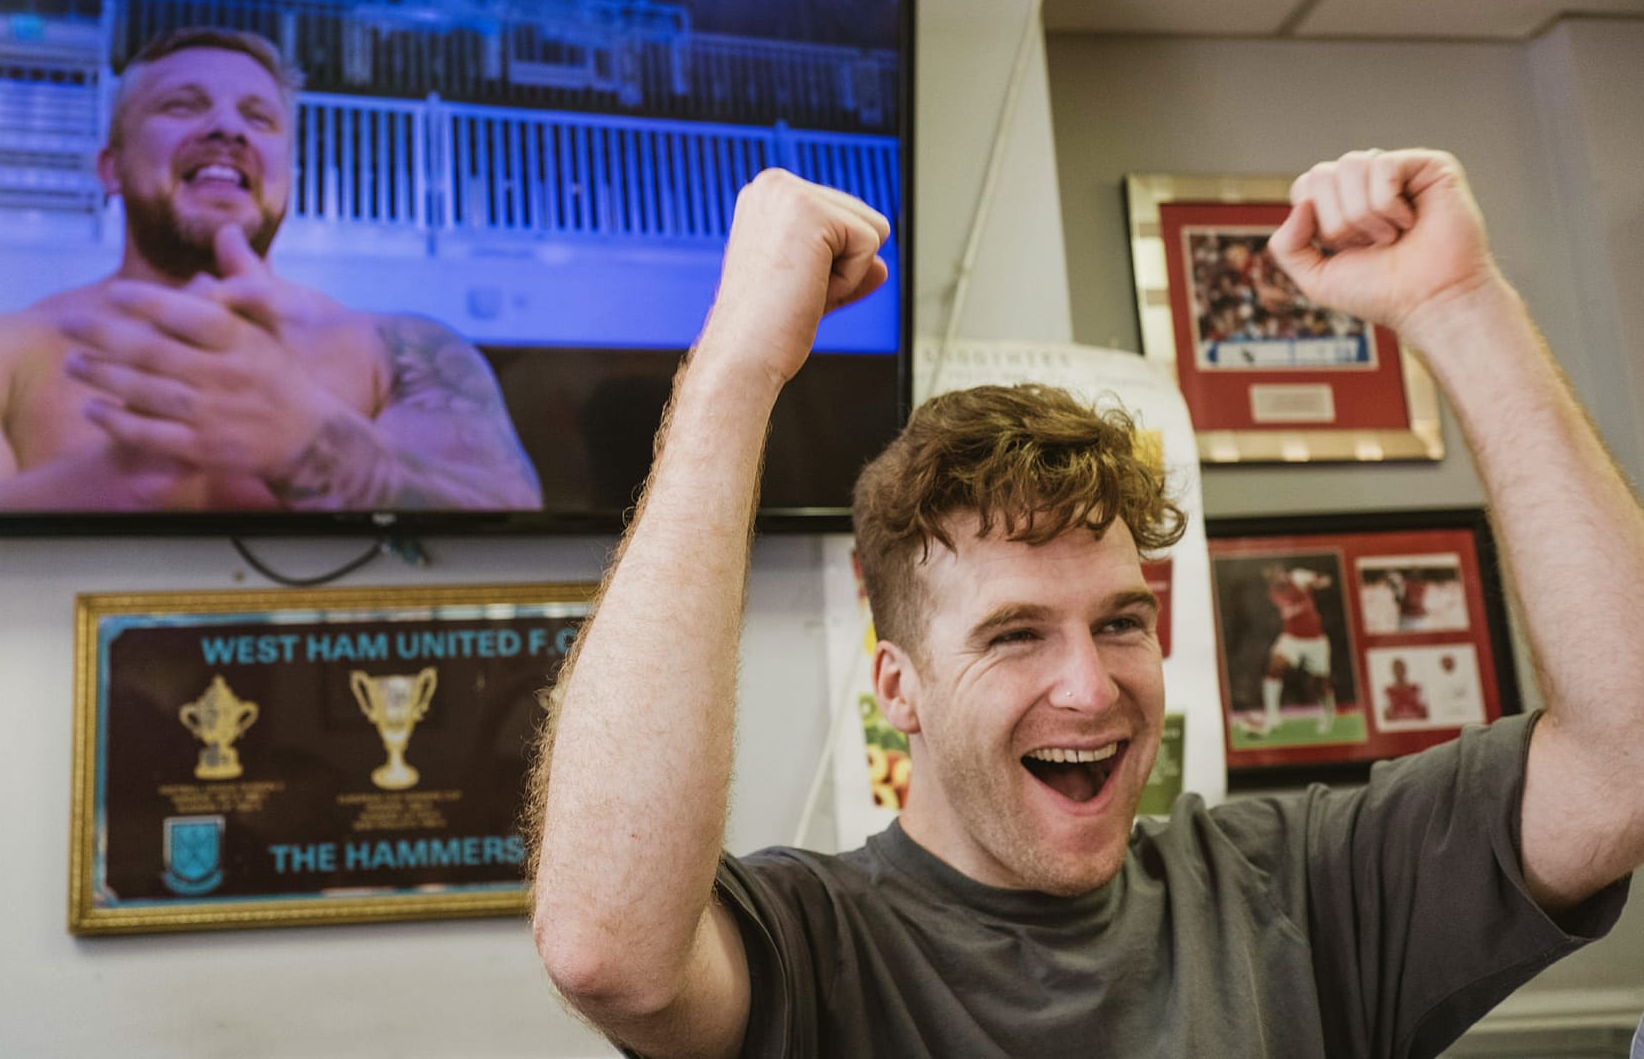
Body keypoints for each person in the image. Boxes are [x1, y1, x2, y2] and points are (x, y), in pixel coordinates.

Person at [526, 150, 1640, 1057]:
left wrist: (1460, 305)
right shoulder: (815, 949)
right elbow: (607, 949)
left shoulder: (1300, 892)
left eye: (1120, 620)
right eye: (1015, 633)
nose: (1091, 683)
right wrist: (735, 365)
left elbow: (1625, 763)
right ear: (897, 687)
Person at [0, 27, 541, 514]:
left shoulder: (401, 350)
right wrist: (118, 477)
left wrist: (307, 441)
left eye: (259, 119)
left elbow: (507, 514)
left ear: (285, 177)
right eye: (182, 105)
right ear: (110, 167)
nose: (228, 128)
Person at [1243, 563, 1339, 738]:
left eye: (1276, 574)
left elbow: (1325, 579)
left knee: (1321, 684)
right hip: (1292, 638)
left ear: (1283, 572)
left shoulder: (1298, 577)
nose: (1275, 578)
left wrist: (1317, 582)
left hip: (1315, 640)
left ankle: (1328, 715)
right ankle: (1273, 718)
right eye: (1271, 578)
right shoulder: (1273, 593)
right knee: (1274, 666)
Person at [1381, 656, 1429, 723]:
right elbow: (1385, 715)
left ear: (1405, 669)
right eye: (1396, 668)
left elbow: (1425, 711)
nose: (1399, 671)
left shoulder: (1416, 688)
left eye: (1401, 668)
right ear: (1392, 671)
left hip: (1416, 724)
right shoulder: (1387, 691)